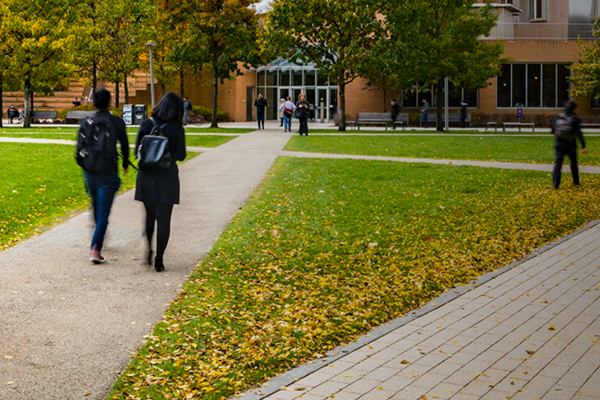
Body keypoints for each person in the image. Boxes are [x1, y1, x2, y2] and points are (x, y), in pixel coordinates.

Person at [135, 92, 187, 272]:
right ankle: (160, 258)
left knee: (149, 216)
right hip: (167, 177)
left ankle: (148, 249)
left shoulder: (147, 124)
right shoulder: (177, 128)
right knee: (164, 220)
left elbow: (137, 152)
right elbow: (181, 155)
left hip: (146, 176)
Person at [79, 88, 130, 264]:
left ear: (94, 103)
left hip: (90, 171)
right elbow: (124, 145)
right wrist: (125, 164)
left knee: (95, 205)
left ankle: (98, 235)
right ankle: (95, 247)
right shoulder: (116, 122)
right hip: (108, 171)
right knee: (103, 212)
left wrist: (86, 167)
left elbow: (79, 151)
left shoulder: (86, 122)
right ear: (110, 102)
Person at [552, 100, 588, 189]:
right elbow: (578, 133)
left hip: (559, 144)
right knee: (573, 163)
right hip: (570, 144)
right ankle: (576, 181)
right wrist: (583, 146)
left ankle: (555, 182)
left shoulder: (558, 117)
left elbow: (553, 130)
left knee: (558, 163)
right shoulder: (575, 118)